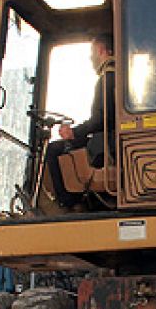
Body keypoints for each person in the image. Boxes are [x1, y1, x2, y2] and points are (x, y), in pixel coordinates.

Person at [45, 33, 116, 209]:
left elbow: (101, 119)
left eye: (92, 53)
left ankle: (69, 205)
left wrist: (74, 132)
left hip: (108, 144)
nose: (91, 59)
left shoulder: (108, 77)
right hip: (110, 139)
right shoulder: (117, 75)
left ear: (101, 50)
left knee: (54, 150)